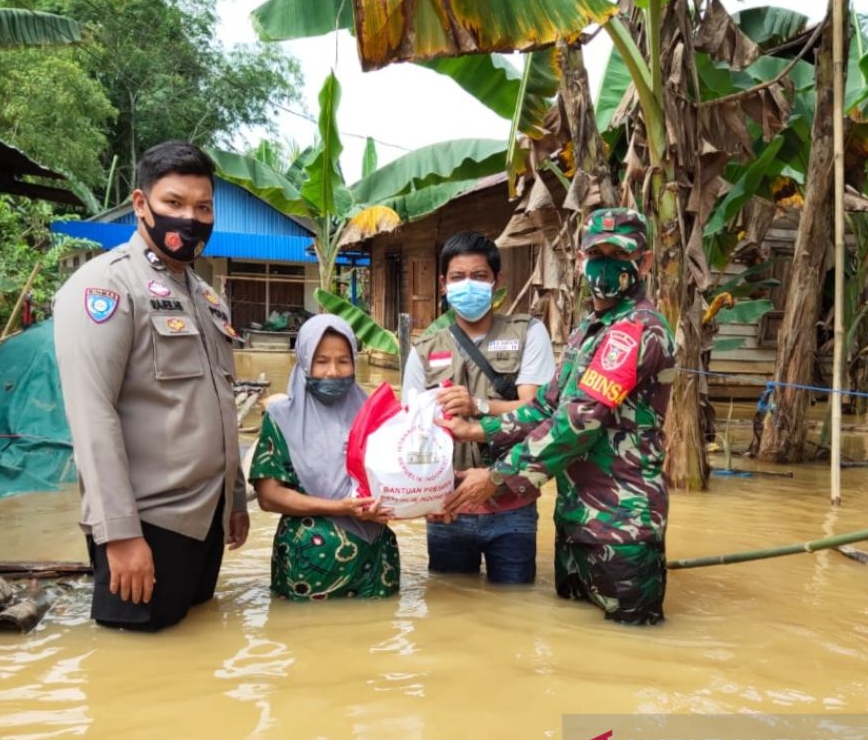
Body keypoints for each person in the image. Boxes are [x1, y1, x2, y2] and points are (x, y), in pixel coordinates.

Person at [439, 208, 675, 625]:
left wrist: (496, 477)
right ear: (581, 259)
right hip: (575, 522)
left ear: (645, 262)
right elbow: (547, 407)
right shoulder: (590, 329)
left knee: (628, 658)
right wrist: (478, 430)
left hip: (622, 530)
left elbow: (579, 421)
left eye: (618, 254)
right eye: (595, 252)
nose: (605, 263)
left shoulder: (637, 330)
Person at [53, 140, 249, 631]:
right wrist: (119, 535)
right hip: (149, 525)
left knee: (195, 660)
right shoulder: (106, 287)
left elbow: (222, 401)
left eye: (203, 207)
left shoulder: (205, 297)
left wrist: (236, 500)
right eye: (174, 204)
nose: (191, 219)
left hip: (205, 521)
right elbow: (92, 416)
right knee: (135, 667)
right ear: (141, 204)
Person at [401, 231, 556, 584]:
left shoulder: (528, 333)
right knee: (451, 613)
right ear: (443, 284)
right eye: (458, 277)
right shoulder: (423, 349)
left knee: (514, 609)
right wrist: (423, 500)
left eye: (479, 276)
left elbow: (538, 412)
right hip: (447, 508)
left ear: (497, 281)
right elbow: (410, 434)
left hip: (512, 503)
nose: (467, 284)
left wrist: (478, 405)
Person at [250, 314, 399, 600]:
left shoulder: (375, 412)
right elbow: (269, 497)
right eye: (321, 361)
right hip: (309, 566)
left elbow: (398, 478)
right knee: (307, 641)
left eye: (343, 361)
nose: (333, 371)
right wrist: (341, 508)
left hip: (377, 562)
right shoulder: (280, 418)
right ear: (305, 362)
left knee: (380, 637)